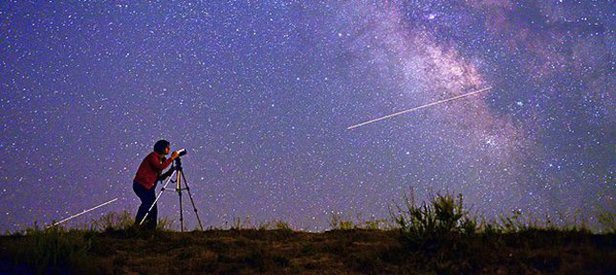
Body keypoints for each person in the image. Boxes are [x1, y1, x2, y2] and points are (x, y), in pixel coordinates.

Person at [133, 139, 180, 229]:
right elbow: (159, 167)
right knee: (147, 204)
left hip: (149, 187)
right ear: (162, 148)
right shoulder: (153, 156)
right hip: (141, 185)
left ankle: (151, 228)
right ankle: (137, 225)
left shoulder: (161, 160)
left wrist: (169, 172)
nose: (169, 149)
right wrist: (172, 158)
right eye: (167, 148)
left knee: (153, 208)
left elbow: (159, 177)